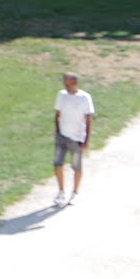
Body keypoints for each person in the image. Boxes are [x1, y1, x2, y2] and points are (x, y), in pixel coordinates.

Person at [52, 73, 94, 206]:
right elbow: (57, 115)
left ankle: (75, 192)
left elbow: (88, 120)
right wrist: (57, 131)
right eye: (65, 83)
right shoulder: (61, 95)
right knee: (57, 164)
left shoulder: (84, 98)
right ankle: (61, 192)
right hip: (62, 137)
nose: (66, 86)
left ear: (75, 83)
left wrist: (86, 140)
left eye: (69, 84)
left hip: (77, 139)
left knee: (76, 166)